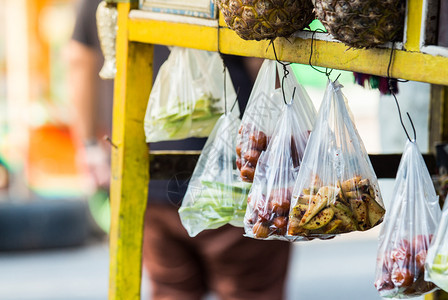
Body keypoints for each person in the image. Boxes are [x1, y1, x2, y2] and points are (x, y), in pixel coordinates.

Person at [66, 1, 292, 299]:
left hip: (146, 172)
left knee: (172, 290)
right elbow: (261, 60)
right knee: (250, 290)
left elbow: (78, 59)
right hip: (238, 178)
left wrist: (90, 146)